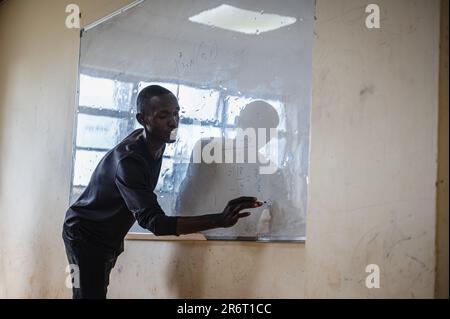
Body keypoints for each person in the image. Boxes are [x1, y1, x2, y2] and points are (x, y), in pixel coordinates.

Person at [62, 85, 261, 299]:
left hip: (107, 235)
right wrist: (219, 219)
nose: (173, 122)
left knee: (92, 293)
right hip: (84, 233)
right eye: (163, 116)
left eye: (176, 113)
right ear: (142, 119)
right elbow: (155, 223)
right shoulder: (129, 161)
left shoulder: (156, 141)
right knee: (88, 296)